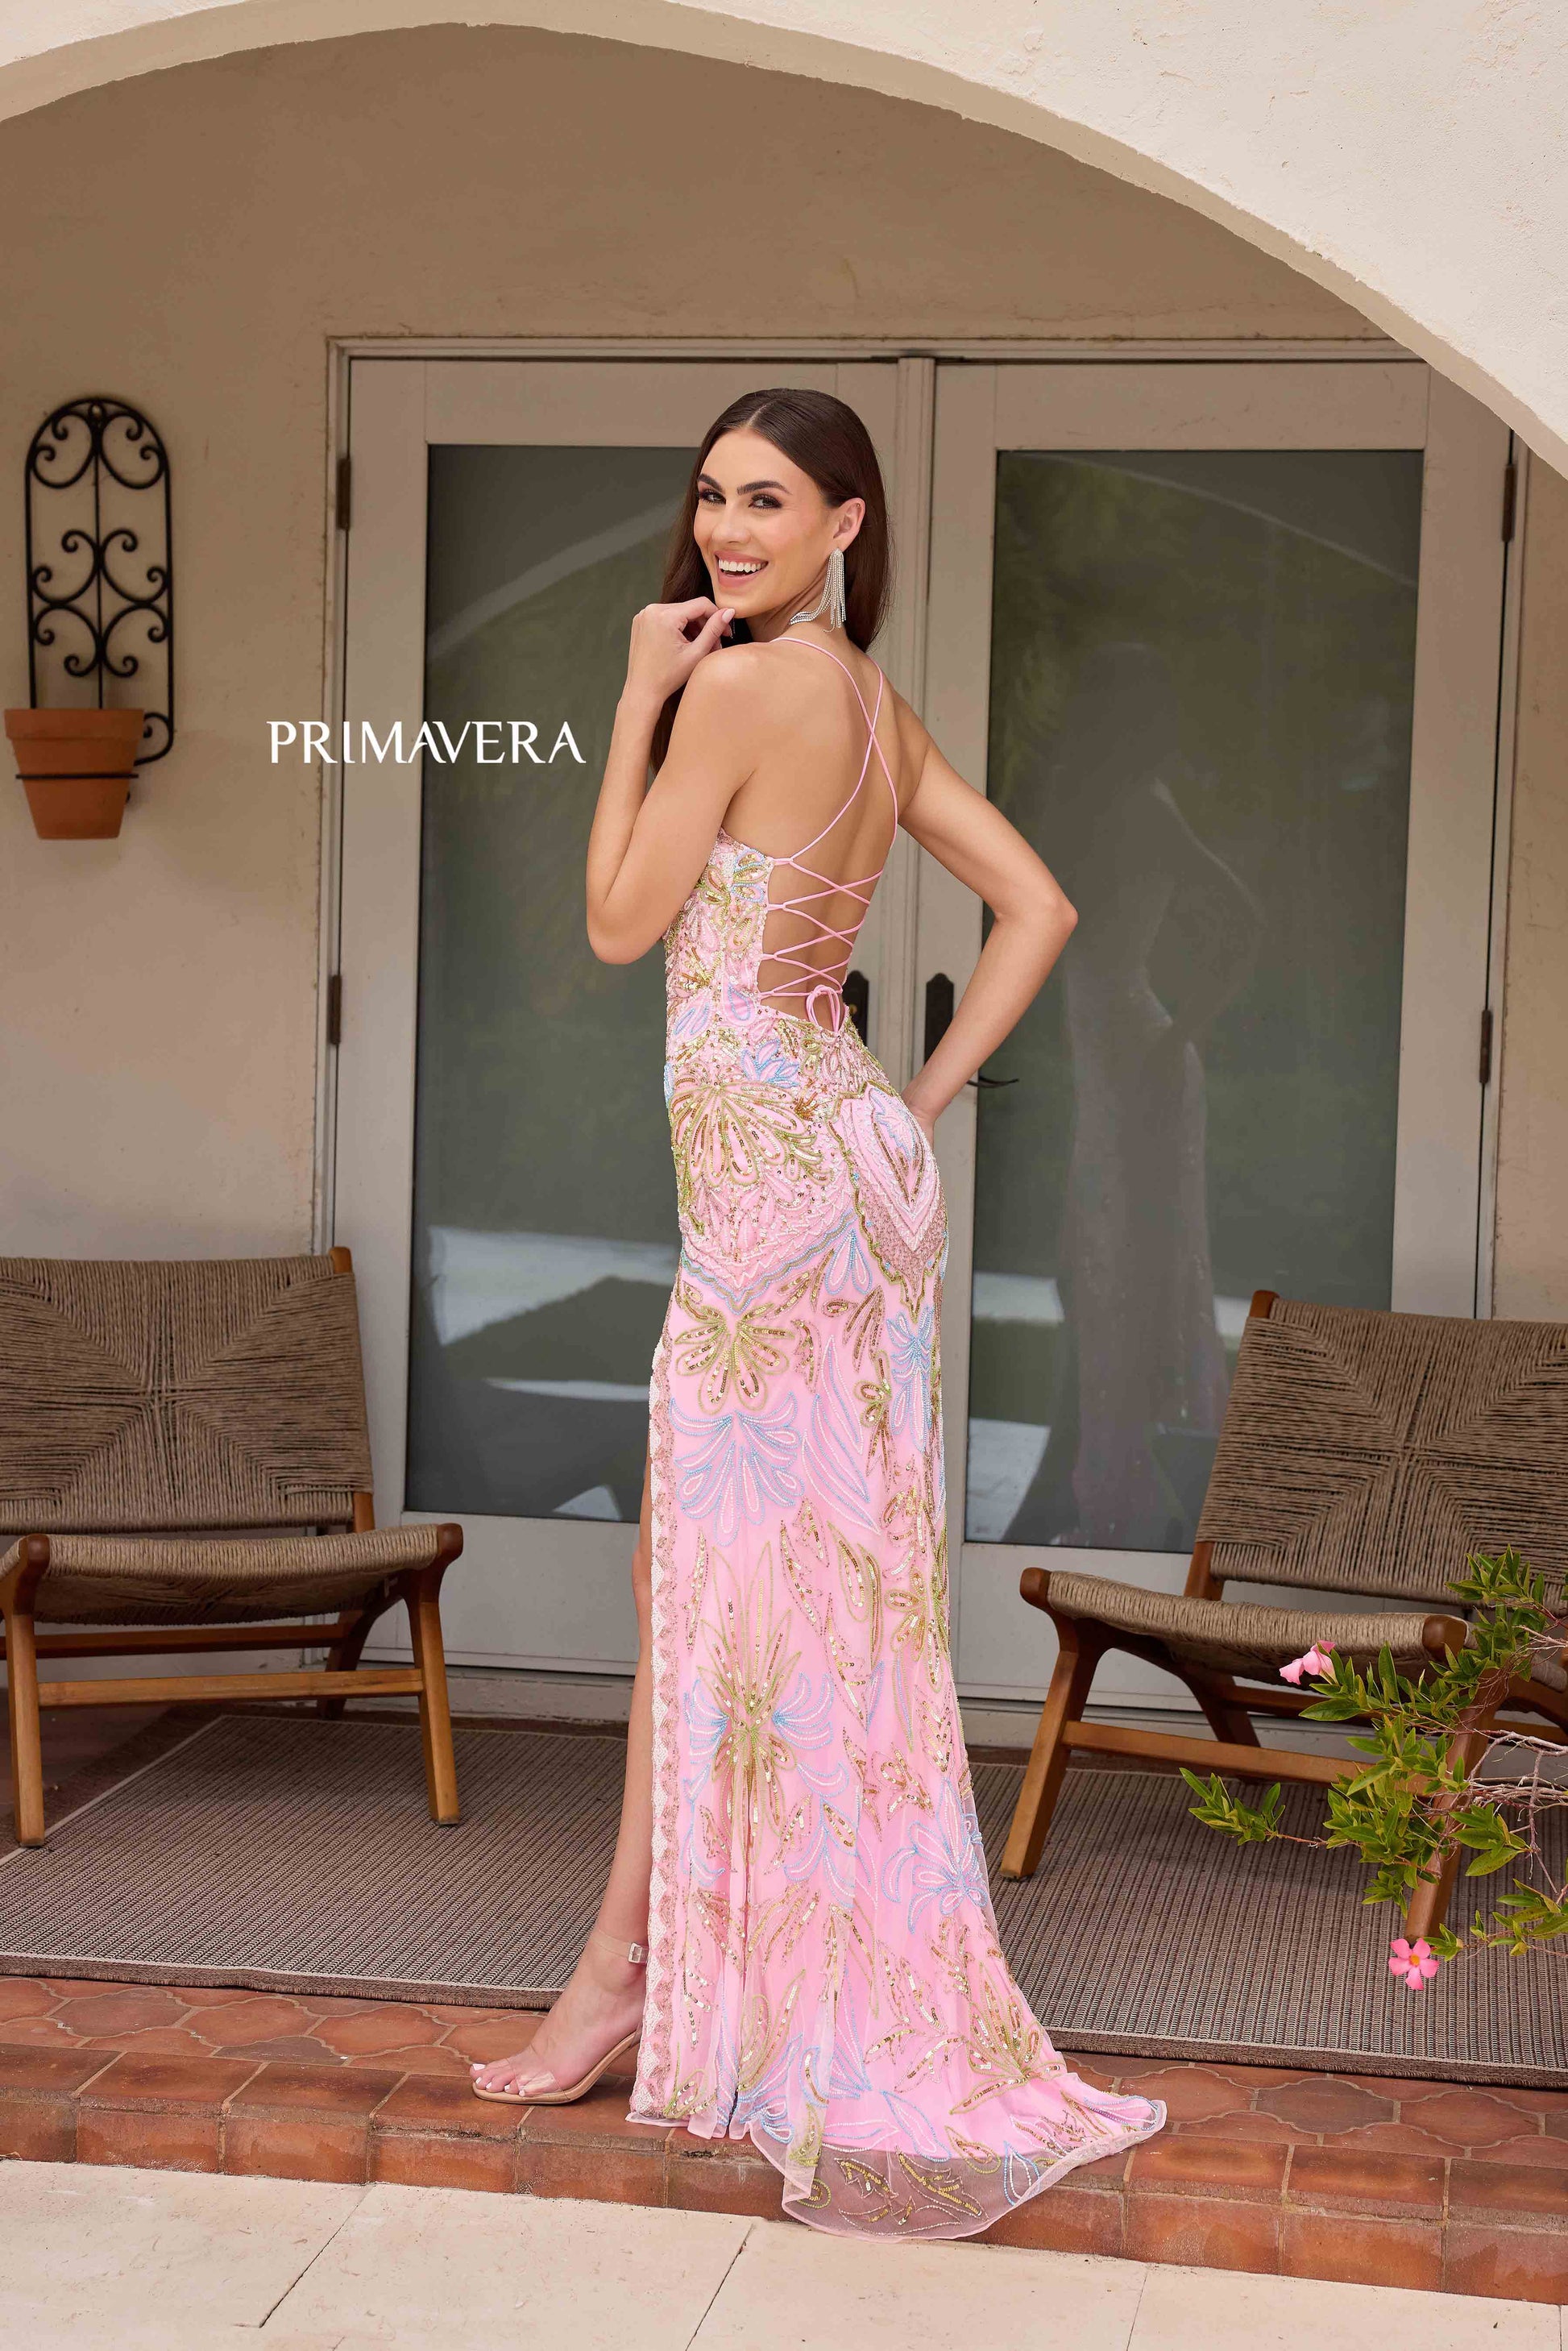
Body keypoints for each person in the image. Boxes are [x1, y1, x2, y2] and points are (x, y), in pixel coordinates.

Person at [472, 388, 1164, 2237]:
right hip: (843, 1158)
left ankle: (625, 1979)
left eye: (767, 500)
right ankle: (652, 1966)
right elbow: (1037, 906)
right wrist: (907, 1103)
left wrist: (633, 697)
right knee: (768, 1593)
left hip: (772, 1196)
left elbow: (617, 921)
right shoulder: (866, 700)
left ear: (847, 521)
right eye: (711, 496)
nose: (726, 529)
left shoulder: (740, 687)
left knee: (714, 1589)